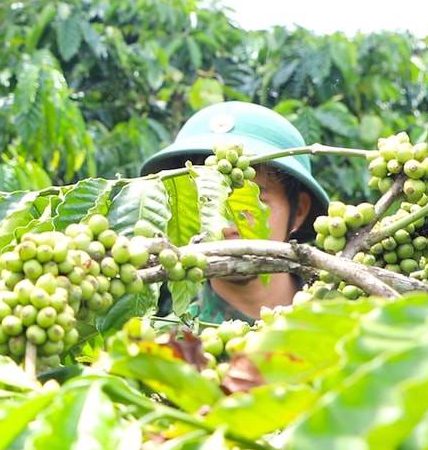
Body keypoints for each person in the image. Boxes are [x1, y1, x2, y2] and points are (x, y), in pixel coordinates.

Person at [140, 101, 330, 324]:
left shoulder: (351, 317)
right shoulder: (171, 344)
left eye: (253, 201)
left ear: (299, 211)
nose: (228, 223)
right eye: (207, 200)